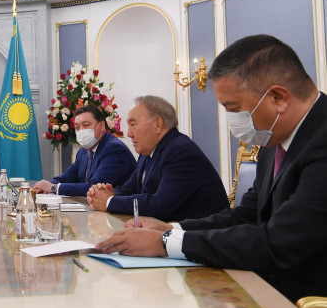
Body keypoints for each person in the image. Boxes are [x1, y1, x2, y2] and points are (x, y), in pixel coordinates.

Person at [95, 35, 327, 303]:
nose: (233, 121)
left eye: (234, 109)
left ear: (277, 97)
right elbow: (246, 215)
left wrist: (166, 243)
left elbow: (281, 241)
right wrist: (171, 229)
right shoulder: (273, 140)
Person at [87, 95, 228, 221]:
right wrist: (103, 194)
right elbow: (129, 188)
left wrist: (109, 202)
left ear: (157, 124)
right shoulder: (147, 153)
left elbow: (160, 205)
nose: (129, 133)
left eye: (133, 125)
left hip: (201, 237)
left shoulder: (180, 151)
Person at [33, 104, 136, 196]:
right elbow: (66, 177)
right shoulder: (83, 151)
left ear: (102, 126)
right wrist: (46, 185)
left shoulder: (114, 149)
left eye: (86, 125)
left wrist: (53, 188)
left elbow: (94, 188)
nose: (81, 131)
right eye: (77, 127)